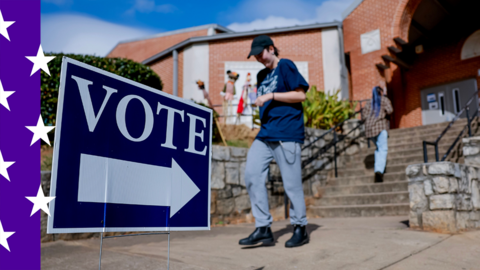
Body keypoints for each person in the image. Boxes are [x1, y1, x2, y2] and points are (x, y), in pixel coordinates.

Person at [238, 35, 309, 248]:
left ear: (271, 48)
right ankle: (263, 229)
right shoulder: (261, 75)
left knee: (292, 184)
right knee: (251, 174)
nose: (259, 58)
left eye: (261, 53)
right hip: (265, 133)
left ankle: (300, 228)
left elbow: (300, 95)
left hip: (287, 132)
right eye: (256, 56)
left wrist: (271, 96)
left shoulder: (285, 65)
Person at [362, 86, 393, 183]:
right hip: (380, 127)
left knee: (379, 148)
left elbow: (363, 116)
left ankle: (378, 168)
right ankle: (379, 171)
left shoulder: (369, 103)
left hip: (369, 130)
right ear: (381, 92)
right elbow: (390, 110)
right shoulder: (384, 100)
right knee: (383, 149)